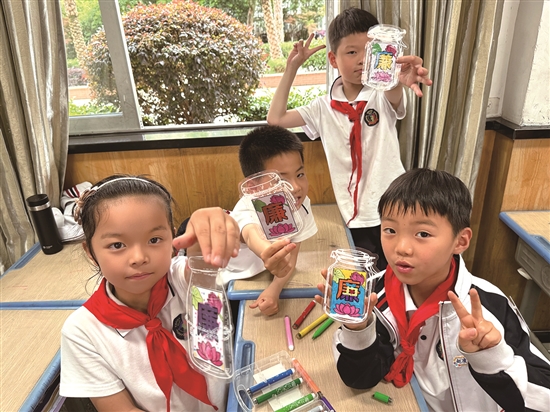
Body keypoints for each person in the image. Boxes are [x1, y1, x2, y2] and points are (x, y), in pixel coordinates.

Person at [316, 168, 550, 411]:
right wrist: (357, 329)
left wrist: (492, 360)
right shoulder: (375, 296)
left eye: (423, 233)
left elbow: (545, 396)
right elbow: (360, 379)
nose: (402, 248)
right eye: (390, 230)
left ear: (460, 241)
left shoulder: (488, 306)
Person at [267, 7, 432, 270]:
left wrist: (396, 79)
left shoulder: (381, 95)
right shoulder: (322, 108)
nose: (362, 60)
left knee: (397, 272)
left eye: (370, 51)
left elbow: (392, 91)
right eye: (352, 52)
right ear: (333, 59)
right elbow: (276, 119)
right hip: (353, 216)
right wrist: (292, 68)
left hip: (394, 207)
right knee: (362, 277)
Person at [60, 175, 240, 412]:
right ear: (90, 252)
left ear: (172, 239)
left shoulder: (183, 280)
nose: (139, 258)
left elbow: (202, 268)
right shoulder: (82, 332)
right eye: (117, 245)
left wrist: (206, 226)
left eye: (154, 239)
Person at [221, 125, 318, 316]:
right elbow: (251, 235)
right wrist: (267, 251)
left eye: (300, 174)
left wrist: (275, 289)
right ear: (253, 186)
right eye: (281, 181)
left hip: (266, 277)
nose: (296, 187)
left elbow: (291, 258)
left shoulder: (301, 204)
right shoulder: (247, 207)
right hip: (234, 281)